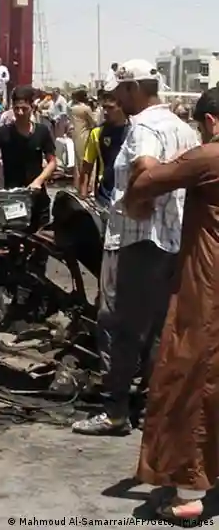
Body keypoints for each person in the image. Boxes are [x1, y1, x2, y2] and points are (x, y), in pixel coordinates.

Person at [72, 59, 199, 436]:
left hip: (141, 240)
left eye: (120, 91)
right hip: (172, 239)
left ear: (134, 89)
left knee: (124, 328)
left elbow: (145, 168)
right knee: (158, 329)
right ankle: (151, 407)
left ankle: (115, 412)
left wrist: (134, 200)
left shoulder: (143, 126)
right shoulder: (183, 128)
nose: (116, 99)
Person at [126, 87, 219, 521]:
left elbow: (145, 182)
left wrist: (145, 164)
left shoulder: (208, 157)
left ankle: (188, 493)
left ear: (210, 121)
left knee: (190, 378)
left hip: (208, 285)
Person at [0, 84, 57, 232]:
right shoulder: (4, 132)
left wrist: (38, 181)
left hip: (37, 198)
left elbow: (52, 162)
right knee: (11, 240)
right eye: (16, 109)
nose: (20, 113)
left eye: (24, 109)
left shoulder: (42, 131)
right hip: (12, 199)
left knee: (40, 241)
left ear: (32, 107)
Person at [79, 93, 129, 205]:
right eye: (104, 107)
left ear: (121, 107)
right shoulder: (97, 132)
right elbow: (86, 167)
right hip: (104, 194)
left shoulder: (134, 131)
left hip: (127, 195)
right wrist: (83, 196)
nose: (105, 112)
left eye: (110, 108)